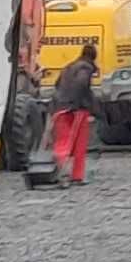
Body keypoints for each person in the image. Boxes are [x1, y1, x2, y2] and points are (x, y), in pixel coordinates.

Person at [48, 46, 100, 186]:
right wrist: (78, 104)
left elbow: (57, 84)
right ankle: (75, 175)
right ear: (94, 56)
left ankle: (58, 169)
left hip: (59, 106)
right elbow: (81, 84)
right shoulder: (85, 68)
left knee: (62, 140)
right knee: (79, 145)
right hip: (76, 109)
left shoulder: (69, 67)